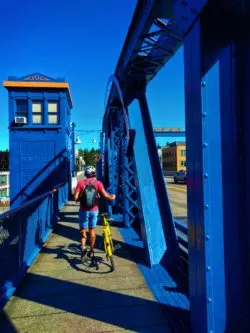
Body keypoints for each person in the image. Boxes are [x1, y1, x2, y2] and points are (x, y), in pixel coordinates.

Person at [74, 165, 116, 260]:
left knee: (83, 230)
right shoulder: (98, 183)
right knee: (92, 230)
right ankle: (91, 251)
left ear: (85, 173)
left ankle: (83, 247)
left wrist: (81, 196)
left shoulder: (81, 183)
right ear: (94, 173)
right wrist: (113, 196)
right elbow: (106, 196)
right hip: (94, 210)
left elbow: (75, 199)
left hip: (83, 210)